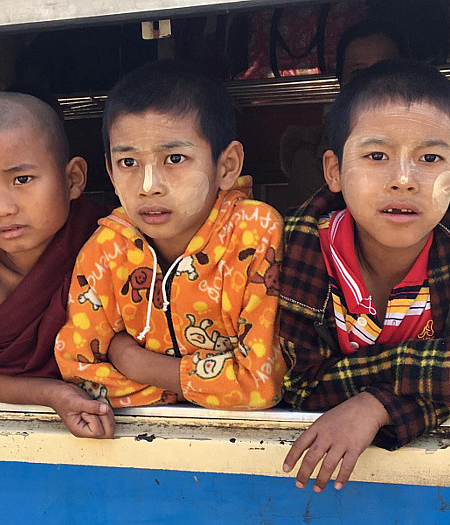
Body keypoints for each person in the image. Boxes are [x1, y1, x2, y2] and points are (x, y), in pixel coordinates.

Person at [279, 60, 450, 493]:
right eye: (376, 156)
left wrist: (377, 406)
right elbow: (300, 386)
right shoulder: (297, 243)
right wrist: (441, 369)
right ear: (333, 170)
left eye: (429, 158)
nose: (404, 180)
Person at [55, 61, 285, 410]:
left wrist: (136, 363)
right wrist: (198, 389)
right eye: (128, 163)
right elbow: (80, 373)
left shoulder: (254, 235)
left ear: (226, 166)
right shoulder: (106, 250)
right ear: (110, 172)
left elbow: (261, 386)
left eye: (174, 158)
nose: (149, 187)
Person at [0, 92, 114, 438]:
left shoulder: (110, 243)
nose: (1, 207)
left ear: (73, 179)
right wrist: (53, 395)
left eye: (21, 180)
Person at [280, 20, 404, 210]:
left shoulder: (435, 142)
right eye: (359, 72)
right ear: (341, 83)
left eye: (385, 70)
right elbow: (306, 233)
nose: (373, 82)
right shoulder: (312, 157)